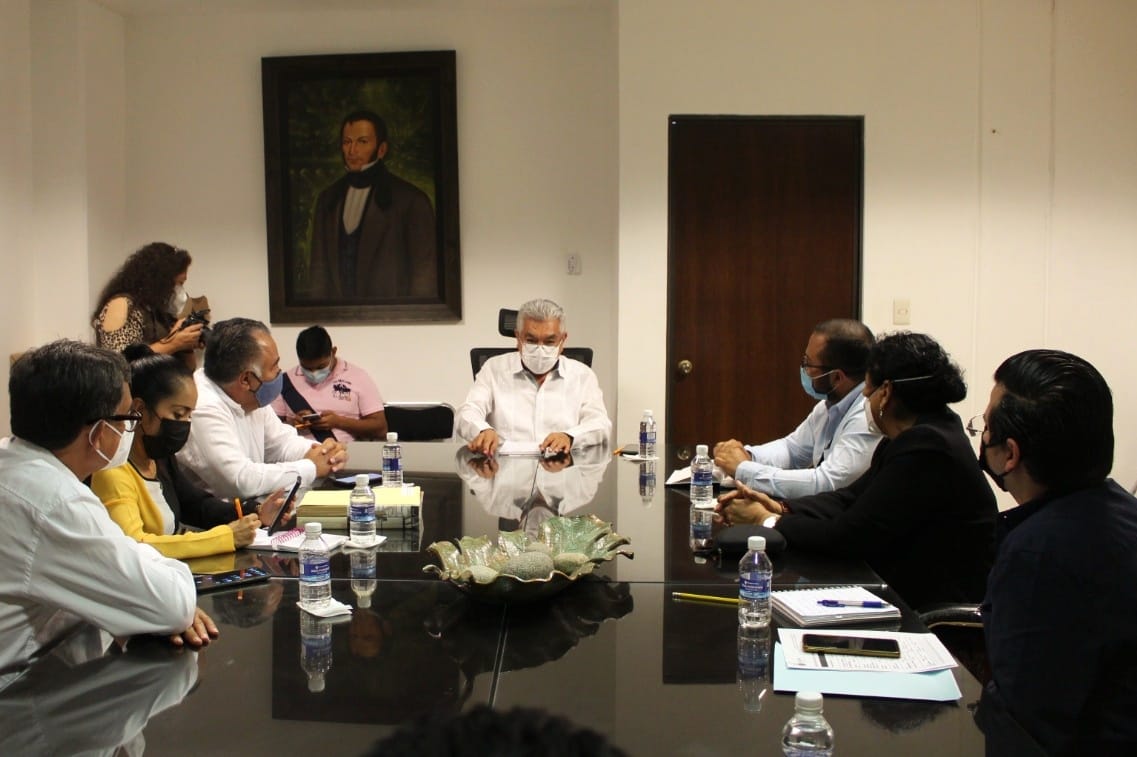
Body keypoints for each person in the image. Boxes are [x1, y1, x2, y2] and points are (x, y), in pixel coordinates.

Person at [716, 332, 997, 609]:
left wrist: (767, 521)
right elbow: (848, 498)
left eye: (867, 391)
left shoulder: (928, 447)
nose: (864, 398)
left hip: (931, 611)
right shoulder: (914, 435)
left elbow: (851, 535)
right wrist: (780, 507)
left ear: (885, 393)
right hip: (902, 590)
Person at [0, 340, 217, 690]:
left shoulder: (14, 463)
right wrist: (163, 589)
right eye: (129, 418)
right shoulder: (56, 501)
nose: (131, 429)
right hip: (20, 695)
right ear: (100, 432)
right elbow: (171, 605)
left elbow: (124, 555)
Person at [973, 350, 1137, 755]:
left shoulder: (1039, 553)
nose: (982, 435)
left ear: (1010, 454)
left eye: (986, 426)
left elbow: (1025, 722)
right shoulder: (1121, 511)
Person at [91, 346, 290, 560]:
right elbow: (135, 545)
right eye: (178, 414)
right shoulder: (112, 470)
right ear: (140, 409)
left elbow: (196, 505)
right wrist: (225, 538)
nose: (185, 424)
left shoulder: (159, 458)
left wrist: (256, 512)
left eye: (189, 415)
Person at [176, 318, 348, 499]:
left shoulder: (251, 395)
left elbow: (281, 444)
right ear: (246, 380)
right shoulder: (201, 406)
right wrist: (311, 468)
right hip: (218, 515)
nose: (279, 372)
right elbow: (241, 480)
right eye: (274, 366)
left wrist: (325, 453)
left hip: (255, 508)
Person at [713, 319, 880, 497]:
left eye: (808, 363)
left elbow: (825, 483)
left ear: (837, 377)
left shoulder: (868, 416)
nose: (803, 369)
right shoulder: (829, 405)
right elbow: (792, 450)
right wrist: (746, 455)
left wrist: (744, 469)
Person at [306, 110, 437, 301]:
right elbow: (319, 275)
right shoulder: (327, 199)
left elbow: (424, 278)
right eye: (347, 142)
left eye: (362, 142)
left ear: (381, 149)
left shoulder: (412, 201)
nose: (352, 151)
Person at [455, 298, 612, 457]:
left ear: (563, 340)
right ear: (518, 338)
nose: (540, 349)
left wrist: (570, 436)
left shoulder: (582, 375)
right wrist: (483, 430)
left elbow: (601, 424)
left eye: (549, 342)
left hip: (562, 466)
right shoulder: (493, 369)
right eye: (531, 340)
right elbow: (467, 413)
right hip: (505, 466)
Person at [271, 325, 387, 443]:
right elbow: (270, 431)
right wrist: (293, 423)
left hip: (346, 451)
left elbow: (380, 429)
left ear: (333, 352)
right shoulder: (285, 381)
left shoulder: (358, 377)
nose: (314, 373)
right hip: (299, 451)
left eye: (320, 367)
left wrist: (339, 422)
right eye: (307, 368)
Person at [92, 241, 204, 359]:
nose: (179, 291)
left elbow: (190, 367)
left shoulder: (157, 311)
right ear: (160, 280)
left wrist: (185, 344)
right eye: (178, 284)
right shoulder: (122, 304)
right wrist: (173, 343)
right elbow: (121, 361)